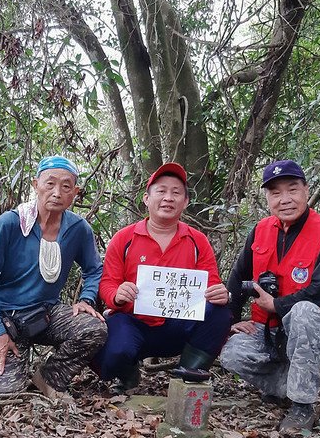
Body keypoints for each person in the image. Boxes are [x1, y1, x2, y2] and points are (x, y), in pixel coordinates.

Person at [220, 159, 320, 435]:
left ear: (306, 190)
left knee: (302, 312)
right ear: (267, 198)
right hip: (270, 331)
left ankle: (302, 406)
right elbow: (238, 278)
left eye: (292, 190)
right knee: (231, 352)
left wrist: (277, 304)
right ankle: (283, 386)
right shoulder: (260, 230)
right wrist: (227, 320)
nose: (285, 199)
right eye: (276, 193)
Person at [0, 155, 106, 399]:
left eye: (66, 186)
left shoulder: (78, 229)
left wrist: (86, 299)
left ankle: (48, 377)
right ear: (35, 185)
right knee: (8, 391)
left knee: (93, 329)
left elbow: (94, 268)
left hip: (45, 314)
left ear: (75, 192)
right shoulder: (11, 223)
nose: (57, 192)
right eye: (50, 184)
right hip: (7, 319)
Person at [94, 162, 232, 393]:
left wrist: (221, 293)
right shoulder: (124, 238)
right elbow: (108, 283)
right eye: (161, 191)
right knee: (112, 355)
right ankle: (127, 374)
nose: (168, 198)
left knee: (220, 313)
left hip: (178, 325)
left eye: (176, 192)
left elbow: (210, 284)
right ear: (147, 199)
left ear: (185, 202)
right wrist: (117, 295)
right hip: (133, 322)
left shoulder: (197, 241)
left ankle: (187, 377)